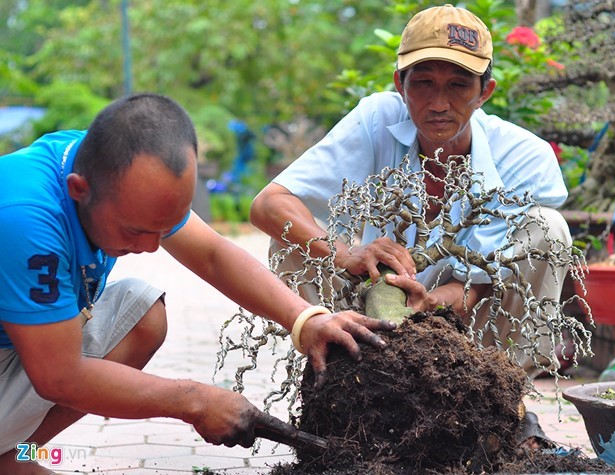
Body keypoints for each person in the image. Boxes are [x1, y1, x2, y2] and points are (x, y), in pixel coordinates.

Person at [0, 93, 396, 474]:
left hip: (16, 351)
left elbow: (211, 254)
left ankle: (14, 456)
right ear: (78, 190)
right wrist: (194, 401)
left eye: (162, 229)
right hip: (41, 364)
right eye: (136, 231)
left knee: (141, 312)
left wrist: (306, 320)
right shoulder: (27, 218)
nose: (152, 247)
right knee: (66, 367)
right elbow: (58, 377)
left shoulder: (109, 166)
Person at [250, 5, 572, 374]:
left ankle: (506, 388)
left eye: (458, 84)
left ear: (485, 92)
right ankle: (342, 370)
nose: (439, 104)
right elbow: (269, 205)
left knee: (549, 228)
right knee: (293, 240)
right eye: (423, 83)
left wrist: (429, 303)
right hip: (368, 302)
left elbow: (479, 284)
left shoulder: (522, 157)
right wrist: (346, 255)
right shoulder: (376, 119)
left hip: (469, 325)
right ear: (400, 85)